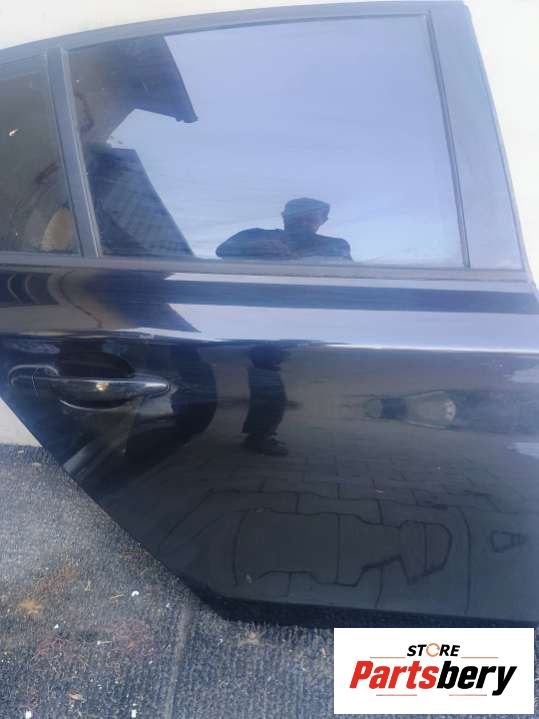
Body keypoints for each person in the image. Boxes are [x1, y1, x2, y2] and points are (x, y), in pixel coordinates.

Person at [216, 197, 352, 261]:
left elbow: (346, 271)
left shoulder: (335, 245)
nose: (302, 223)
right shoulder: (253, 235)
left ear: (323, 220)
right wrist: (252, 247)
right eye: (295, 218)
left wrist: (294, 257)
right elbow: (222, 250)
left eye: (310, 219)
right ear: (284, 216)